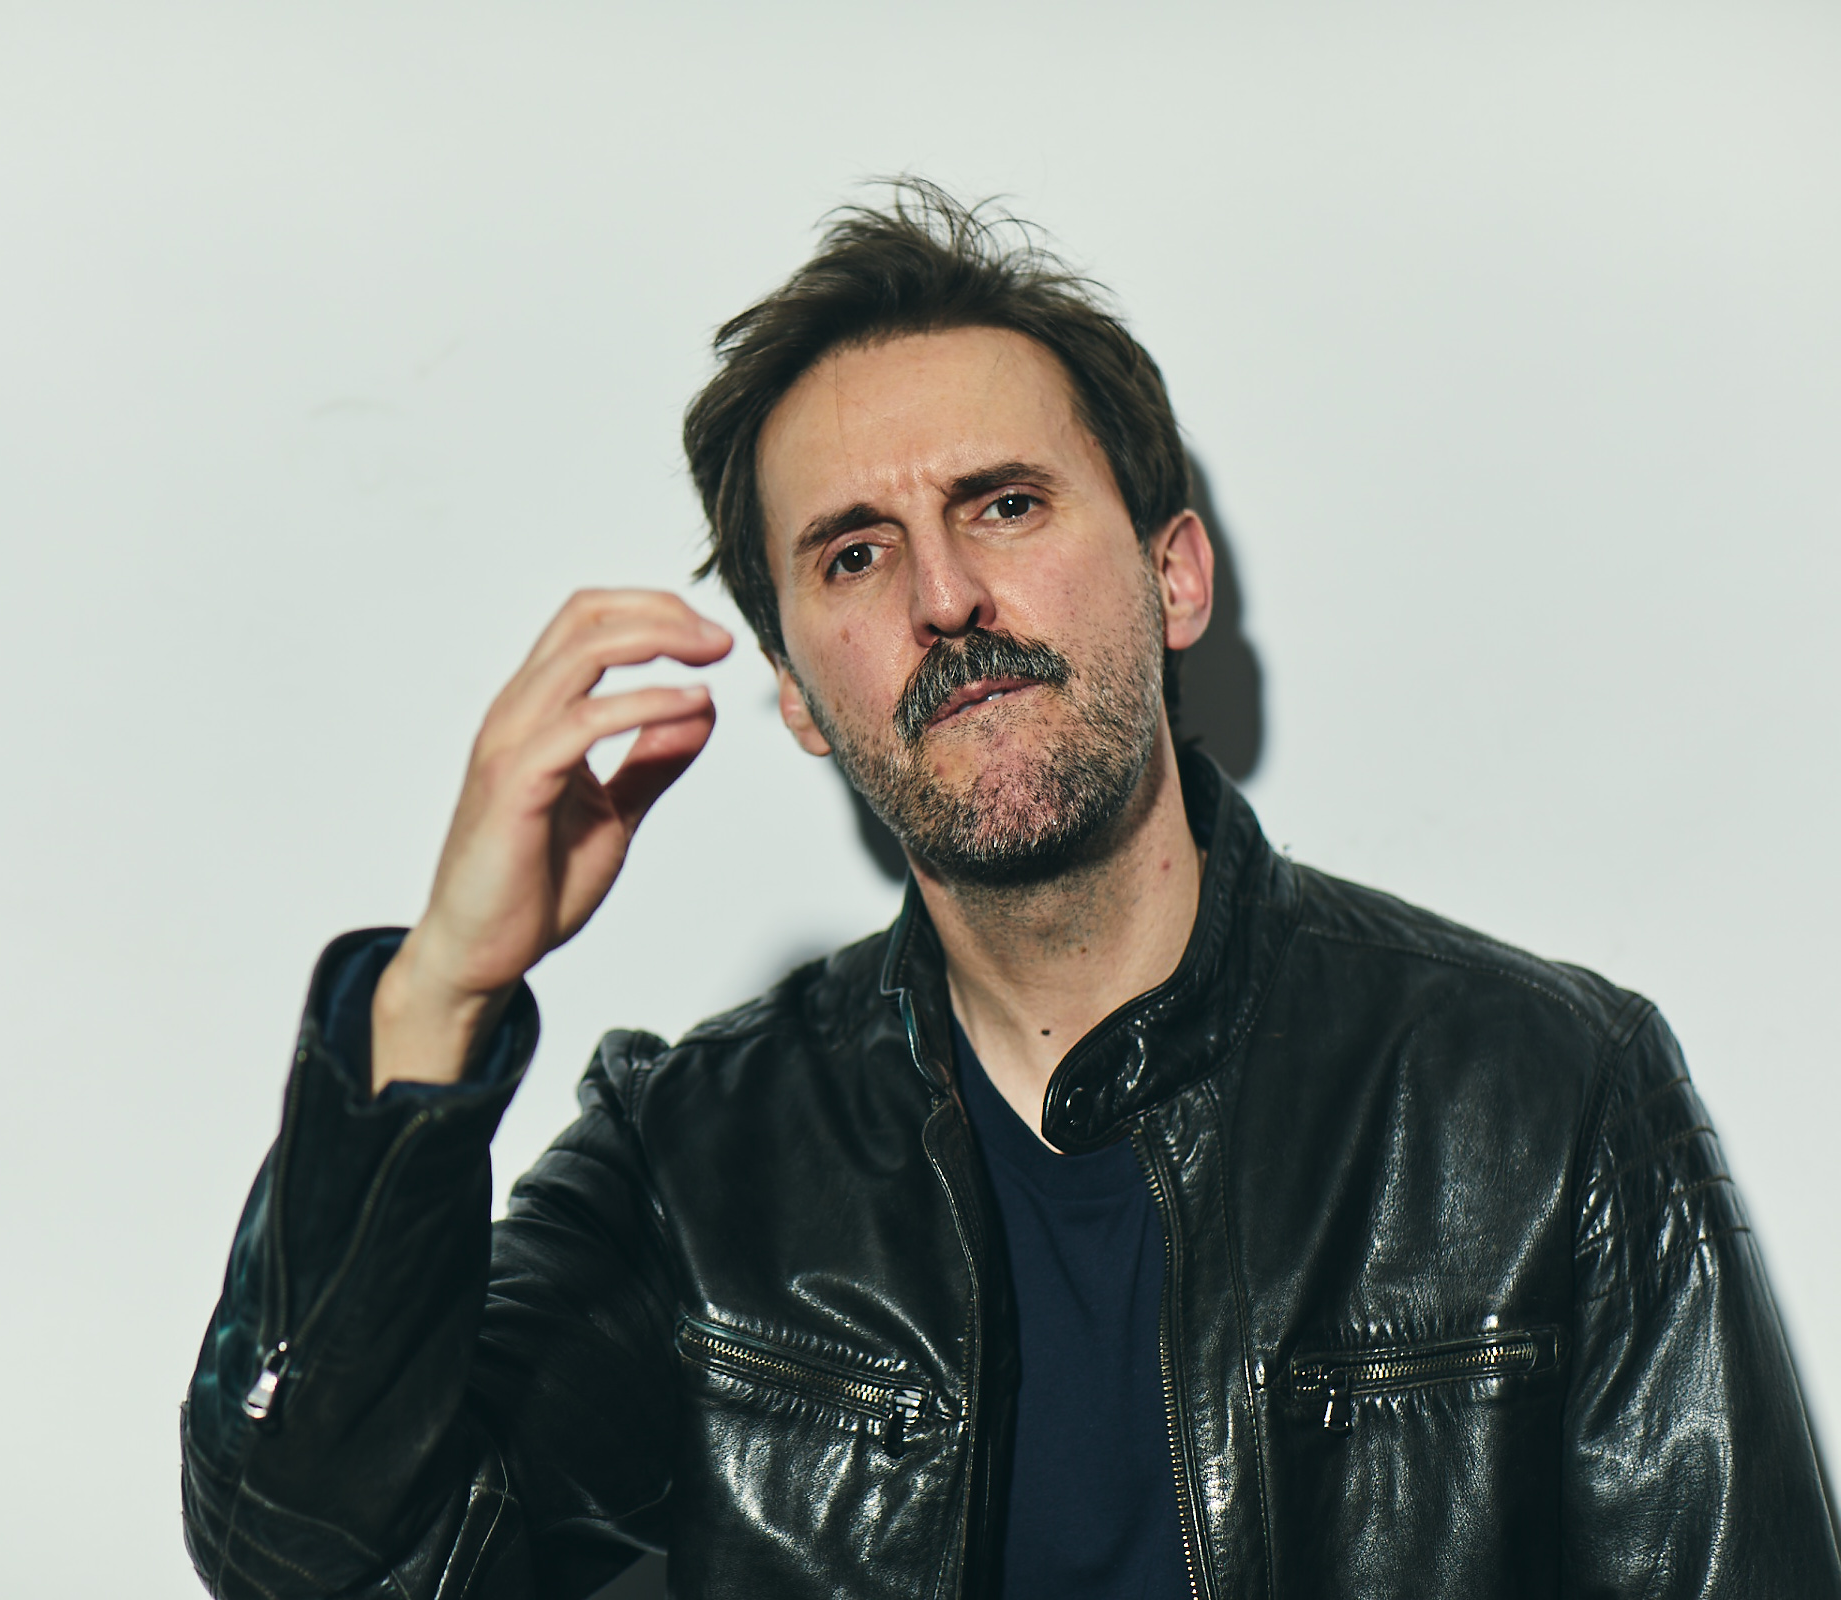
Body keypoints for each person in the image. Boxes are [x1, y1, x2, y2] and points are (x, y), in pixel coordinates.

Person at [178, 183, 1841, 1599]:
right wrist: (441, 995)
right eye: (854, 553)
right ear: (799, 696)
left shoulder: (1547, 1099)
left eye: (1006, 503)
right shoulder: (694, 1163)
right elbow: (315, 1557)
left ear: (1173, 575)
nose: (948, 595)